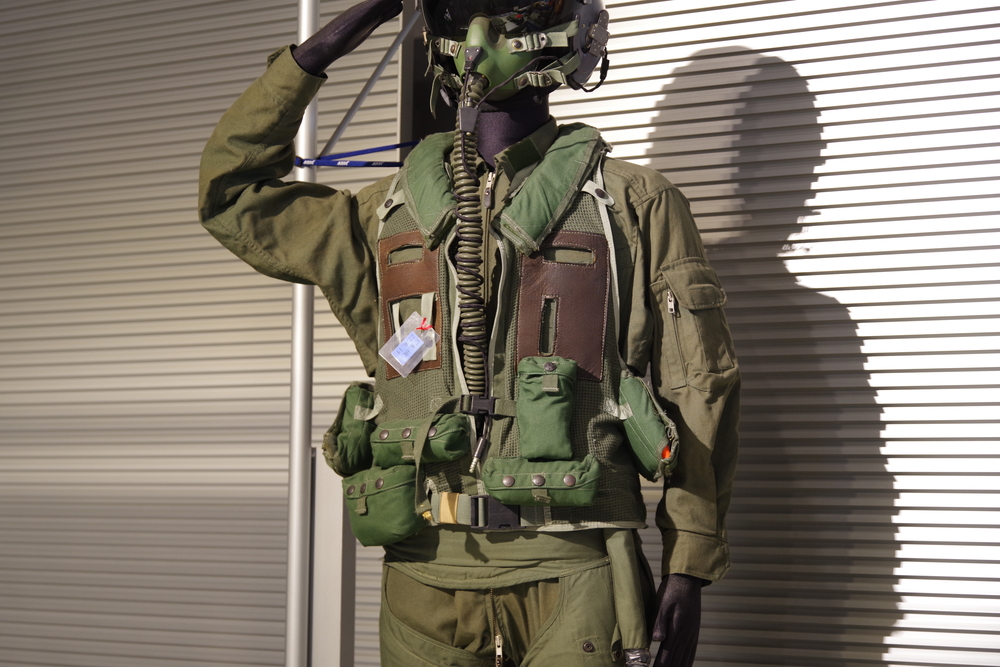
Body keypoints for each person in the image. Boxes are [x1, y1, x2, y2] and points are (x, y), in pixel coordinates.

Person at [198, 1, 740, 665]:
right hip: (423, 577)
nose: (484, 34)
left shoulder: (632, 205)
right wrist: (328, 44)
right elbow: (231, 195)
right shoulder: (383, 215)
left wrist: (689, 561)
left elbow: (698, 389)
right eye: (465, 8)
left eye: (515, 10)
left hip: (578, 568)